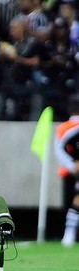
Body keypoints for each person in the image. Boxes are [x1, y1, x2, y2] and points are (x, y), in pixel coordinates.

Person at [56, 95, 79, 247]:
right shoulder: (67, 128)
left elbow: (58, 150)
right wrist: (74, 166)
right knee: (74, 203)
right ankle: (69, 234)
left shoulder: (63, 128)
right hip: (71, 172)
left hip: (69, 171)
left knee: (72, 203)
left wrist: (70, 166)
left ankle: (69, 235)